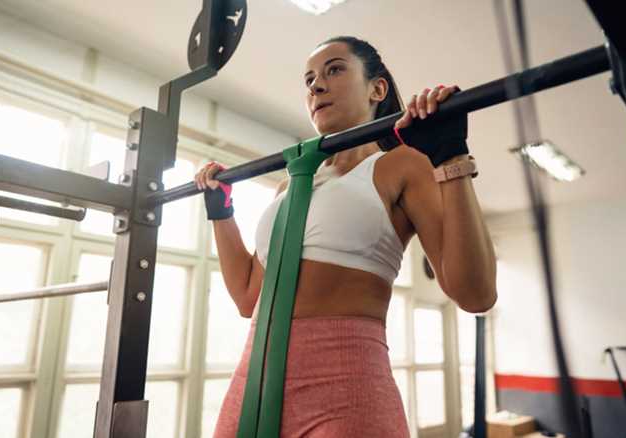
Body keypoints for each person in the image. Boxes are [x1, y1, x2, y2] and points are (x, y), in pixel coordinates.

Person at [194, 36, 497, 438]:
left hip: (345, 382)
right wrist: (221, 211)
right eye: (309, 79)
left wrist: (451, 157)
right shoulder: (291, 186)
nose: (315, 86)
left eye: (334, 69)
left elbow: (476, 294)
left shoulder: (401, 164)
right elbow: (250, 298)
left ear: (378, 88)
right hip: (254, 378)